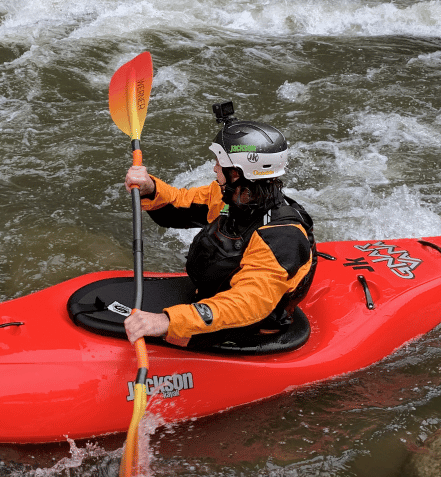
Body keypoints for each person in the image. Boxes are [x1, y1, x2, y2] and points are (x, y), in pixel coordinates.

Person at [123, 102, 316, 349]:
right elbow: (180, 206)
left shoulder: (281, 237)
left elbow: (247, 303)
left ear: (237, 173)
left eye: (219, 163)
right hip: (215, 297)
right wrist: (151, 188)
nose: (214, 168)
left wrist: (167, 322)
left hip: (250, 327)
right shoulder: (232, 198)